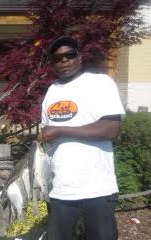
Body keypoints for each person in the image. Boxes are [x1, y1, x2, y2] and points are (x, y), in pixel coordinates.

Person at [41, 36, 125, 240]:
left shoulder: (100, 83)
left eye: (70, 55)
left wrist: (61, 130)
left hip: (96, 188)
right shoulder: (51, 91)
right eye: (57, 58)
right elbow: (48, 135)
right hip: (60, 189)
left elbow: (110, 129)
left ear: (80, 56)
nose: (64, 61)